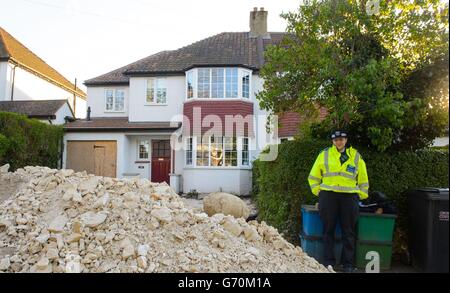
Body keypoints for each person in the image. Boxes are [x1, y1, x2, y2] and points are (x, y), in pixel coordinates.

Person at [308, 130, 369, 272]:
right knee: (328, 230)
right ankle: (328, 262)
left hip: (349, 198)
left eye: (341, 139)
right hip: (328, 197)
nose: (338, 142)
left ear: (346, 140)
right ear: (332, 141)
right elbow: (313, 176)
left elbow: (363, 179)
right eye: (336, 140)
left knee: (348, 232)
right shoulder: (324, 154)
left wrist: (360, 195)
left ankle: (348, 264)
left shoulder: (355, 156)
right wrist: (319, 191)